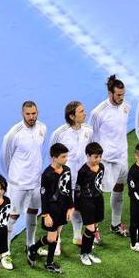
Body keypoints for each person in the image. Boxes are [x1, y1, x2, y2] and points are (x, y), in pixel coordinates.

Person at [0, 101, 46, 270]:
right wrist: (12, 178)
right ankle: (4, 252)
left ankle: (30, 245)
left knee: (33, 212)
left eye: (34, 113)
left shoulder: (42, 128)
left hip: (35, 181)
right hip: (17, 183)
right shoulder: (13, 134)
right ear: (22, 114)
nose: (31, 117)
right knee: (12, 216)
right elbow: (5, 158)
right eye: (28, 114)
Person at [90, 75, 131, 237]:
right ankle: (93, 229)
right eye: (118, 95)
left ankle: (115, 223)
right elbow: (91, 138)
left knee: (119, 188)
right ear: (110, 93)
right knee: (97, 195)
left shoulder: (126, 107)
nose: (121, 98)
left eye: (123, 94)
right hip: (105, 161)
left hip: (122, 157)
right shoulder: (98, 113)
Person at [50, 101, 93, 246]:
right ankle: (56, 242)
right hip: (64, 180)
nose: (84, 113)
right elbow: (52, 155)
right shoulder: (59, 133)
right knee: (60, 212)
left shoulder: (89, 130)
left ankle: (77, 236)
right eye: (81, 111)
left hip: (83, 179)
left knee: (79, 208)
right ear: (72, 116)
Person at [27, 143, 74, 274]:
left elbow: (68, 190)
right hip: (52, 210)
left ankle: (48, 262)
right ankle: (35, 250)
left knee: (56, 235)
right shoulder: (47, 174)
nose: (66, 159)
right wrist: (46, 214)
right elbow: (44, 195)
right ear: (54, 158)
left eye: (66, 156)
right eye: (63, 157)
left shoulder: (67, 170)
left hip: (63, 207)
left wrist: (71, 207)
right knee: (52, 238)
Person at [75, 142, 105, 265]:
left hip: (98, 200)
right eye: (95, 157)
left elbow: (98, 183)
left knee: (95, 227)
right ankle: (84, 254)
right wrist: (77, 205)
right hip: (86, 202)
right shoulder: (83, 171)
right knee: (90, 229)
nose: (98, 159)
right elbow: (78, 188)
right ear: (88, 155)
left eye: (100, 156)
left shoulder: (102, 167)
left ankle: (89, 252)